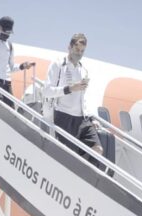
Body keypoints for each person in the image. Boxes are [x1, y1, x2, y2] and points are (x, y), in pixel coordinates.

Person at [42, 34, 104, 169]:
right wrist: (69, 89)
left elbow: (83, 97)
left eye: (82, 51)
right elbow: (46, 91)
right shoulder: (58, 65)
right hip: (64, 115)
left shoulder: (84, 70)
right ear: (69, 47)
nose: (79, 54)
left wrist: (91, 118)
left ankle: (83, 174)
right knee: (67, 156)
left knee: (97, 149)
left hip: (82, 119)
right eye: (77, 50)